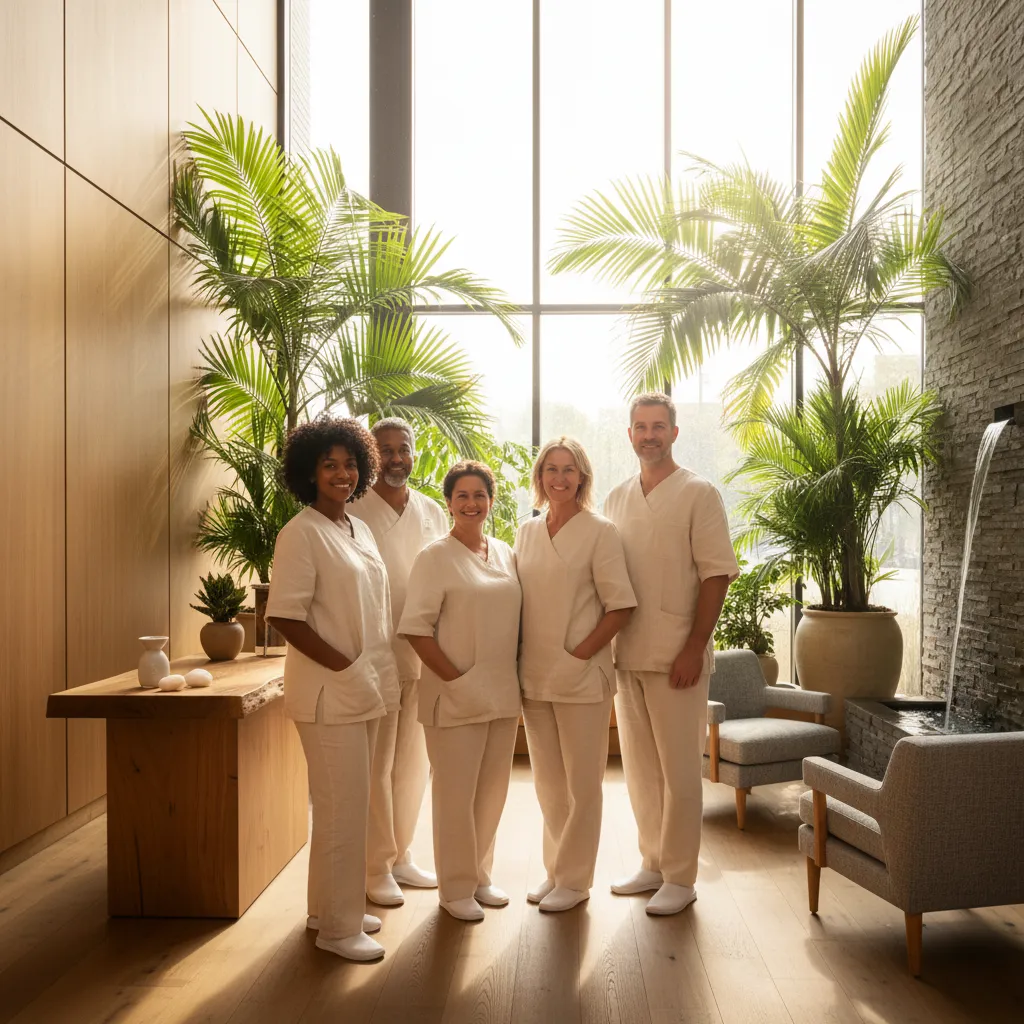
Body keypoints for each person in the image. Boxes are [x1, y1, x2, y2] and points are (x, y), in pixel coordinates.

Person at [266, 417, 400, 962]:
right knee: (344, 810)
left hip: (363, 686)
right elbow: (286, 618)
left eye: (349, 464)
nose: (342, 474)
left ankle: (327, 907)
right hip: (330, 694)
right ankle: (340, 930)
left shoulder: (356, 528)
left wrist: (362, 668)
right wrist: (344, 664)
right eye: (329, 465)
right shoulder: (299, 533)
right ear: (309, 472)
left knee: (343, 808)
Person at [603, 393, 739, 916]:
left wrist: (693, 647)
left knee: (680, 771)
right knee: (640, 769)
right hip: (628, 655)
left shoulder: (699, 494)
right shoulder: (616, 498)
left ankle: (681, 877)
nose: (649, 435)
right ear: (630, 433)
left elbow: (715, 575)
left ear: (675, 434)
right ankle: (654, 863)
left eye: (659, 426)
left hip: (678, 659)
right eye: (640, 426)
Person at [397, 461, 522, 922]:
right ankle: (454, 889)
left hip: (501, 694)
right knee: (455, 796)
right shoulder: (434, 557)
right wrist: (456, 681)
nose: (471, 504)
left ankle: (479, 876)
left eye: (480, 495)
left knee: (491, 793)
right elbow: (416, 630)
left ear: (491, 501)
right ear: (449, 503)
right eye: (462, 496)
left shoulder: (506, 553)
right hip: (452, 696)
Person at [516, 437, 636, 912]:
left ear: (582, 477)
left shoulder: (600, 532)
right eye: (551, 469)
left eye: (569, 470)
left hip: (582, 677)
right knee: (547, 782)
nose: (559, 478)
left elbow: (621, 606)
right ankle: (556, 870)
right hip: (534, 676)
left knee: (583, 785)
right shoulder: (526, 532)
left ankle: (576, 879)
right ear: (540, 477)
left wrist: (579, 655)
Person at [349, 418, 448, 907]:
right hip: (374, 657)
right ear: (371, 453)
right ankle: (375, 865)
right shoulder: (351, 511)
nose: (395, 458)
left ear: (413, 452)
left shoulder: (432, 511)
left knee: (413, 764)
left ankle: (402, 853)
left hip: (423, 657)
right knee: (377, 767)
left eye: (402, 449)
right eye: (384, 449)